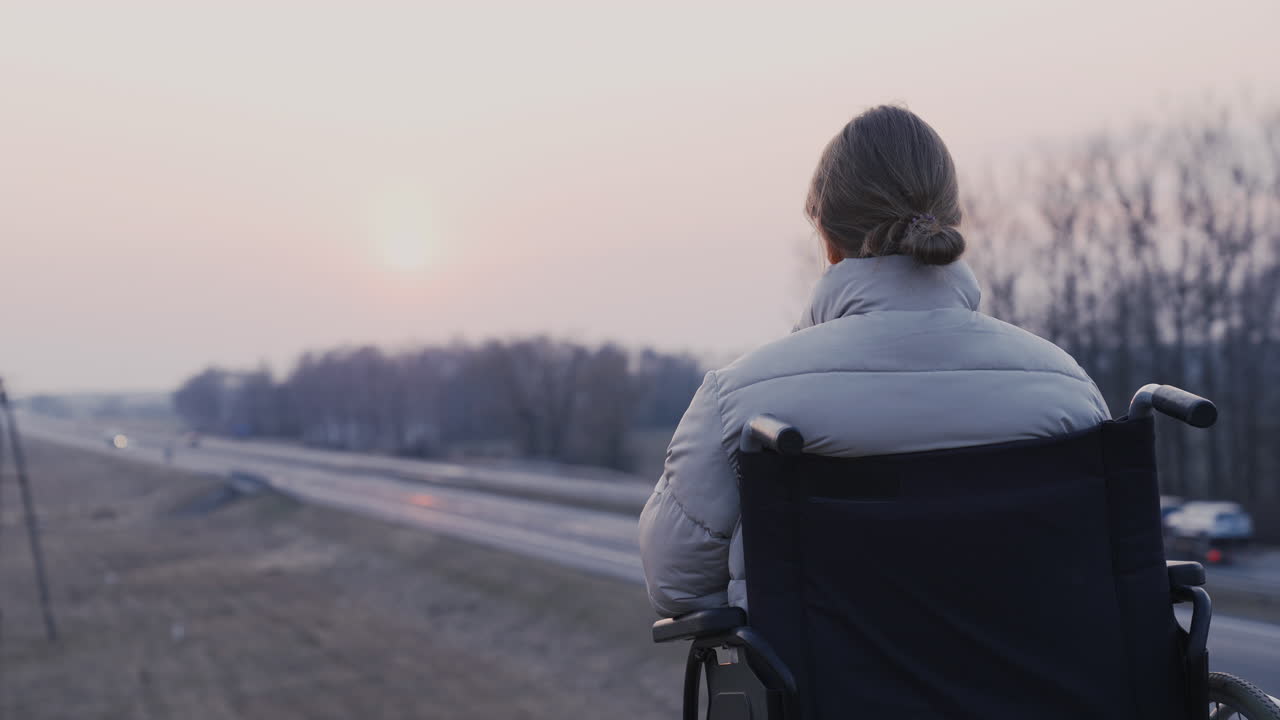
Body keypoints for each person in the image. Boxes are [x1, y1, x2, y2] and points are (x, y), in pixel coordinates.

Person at [637, 105, 1110, 618]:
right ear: (948, 225)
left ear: (829, 241)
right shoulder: (1067, 391)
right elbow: (1104, 566)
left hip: (826, 697)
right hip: (1038, 697)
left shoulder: (744, 403)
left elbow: (676, 587)